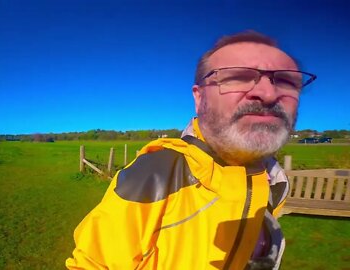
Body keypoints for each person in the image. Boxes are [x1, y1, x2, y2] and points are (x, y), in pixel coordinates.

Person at [66, 30, 317, 270]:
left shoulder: (275, 180)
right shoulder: (155, 173)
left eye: (286, 81)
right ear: (199, 98)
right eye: (238, 77)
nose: (268, 93)